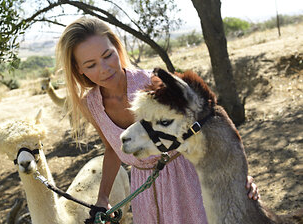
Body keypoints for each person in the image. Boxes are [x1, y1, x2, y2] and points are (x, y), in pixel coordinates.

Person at [55, 16, 259, 224]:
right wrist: (103, 198)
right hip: (143, 190)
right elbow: (112, 149)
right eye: (91, 65)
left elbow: (206, 122)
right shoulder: (91, 104)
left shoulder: (152, 83)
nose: (104, 68)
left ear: (117, 47)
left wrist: (236, 178)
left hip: (186, 179)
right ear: (78, 69)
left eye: (108, 55)